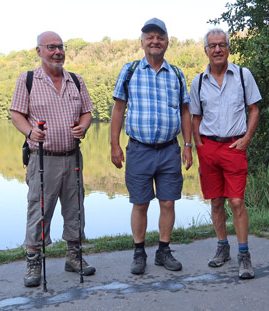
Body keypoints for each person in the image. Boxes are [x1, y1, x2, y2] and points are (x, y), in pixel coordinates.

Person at [11, 31, 96, 287]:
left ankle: (74, 256)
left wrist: (83, 126)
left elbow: (87, 112)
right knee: (39, 210)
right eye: (51, 47)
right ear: (39, 51)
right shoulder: (27, 80)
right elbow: (16, 114)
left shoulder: (76, 81)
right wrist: (30, 131)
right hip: (42, 158)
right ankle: (34, 261)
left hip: (72, 157)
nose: (58, 52)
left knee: (75, 208)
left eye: (61, 47)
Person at [110, 18, 192, 275]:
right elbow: (119, 109)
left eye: (160, 36)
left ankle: (164, 251)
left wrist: (188, 145)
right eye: (150, 37)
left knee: (168, 203)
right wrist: (114, 144)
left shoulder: (177, 73)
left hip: (169, 149)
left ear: (167, 41)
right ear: (142, 41)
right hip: (139, 149)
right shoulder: (130, 70)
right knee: (140, 203)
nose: (155, 41)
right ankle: (138, 252)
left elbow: (185, 111)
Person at [189, 28, 261, 279]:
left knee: (237, 201)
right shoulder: (198, 81)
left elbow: (254, 109)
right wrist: (198, 146)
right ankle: (222, 248)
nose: (217, 49)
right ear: (206, 50)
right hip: (208, 148)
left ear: (229, 48)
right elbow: (194, 117)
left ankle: (244, 254)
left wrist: (247, 139)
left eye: (222, 44)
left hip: (234, 147)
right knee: (216, 201)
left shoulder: (243, 75)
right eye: (212, 45)